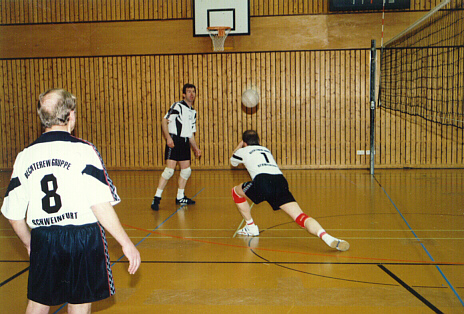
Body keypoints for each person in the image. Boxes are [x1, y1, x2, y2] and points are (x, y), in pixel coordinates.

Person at [1, 88, 141, 313]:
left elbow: (13, 214)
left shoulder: (25, 156)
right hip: (82, 237)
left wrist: (29, 243)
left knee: (37, 303)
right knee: (79, 304)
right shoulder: (83, 150)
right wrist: (125, 242)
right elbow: (99, 204)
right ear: (71, 115)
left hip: (44, 238)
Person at [230, 130, 350, 252]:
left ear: (245, 142)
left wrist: (239, 146)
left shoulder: (243, 150)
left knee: (236, 191)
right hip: (280, 181)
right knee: (300, 216)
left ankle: (250, 226)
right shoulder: (265, 149)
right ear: (258, 140)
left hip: (262, 180)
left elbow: (233, 162)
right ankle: (327, 237)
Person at [151, 83, 202, 211]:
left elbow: (190, 133)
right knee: (169, 170)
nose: (191, 94)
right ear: (184, 94)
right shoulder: (178, 106)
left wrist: (195, 147)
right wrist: (168, 137)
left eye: (193, 92)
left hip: (185, 142)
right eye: (189, 91)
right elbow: (164, 121)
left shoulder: (193, 112)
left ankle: (180, 197)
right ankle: (156, 198)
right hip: (174, 140)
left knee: (186, 170)